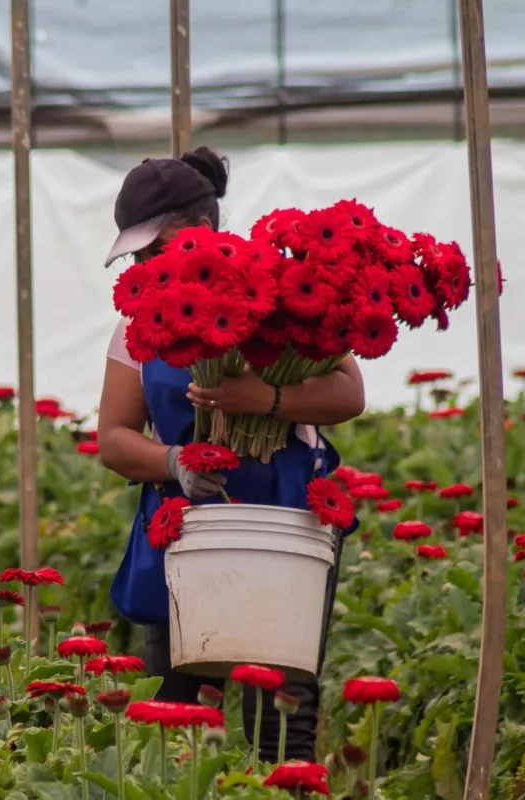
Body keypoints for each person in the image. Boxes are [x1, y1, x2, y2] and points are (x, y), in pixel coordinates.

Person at [96, 147, 366, 763]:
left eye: (154, 248)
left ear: (200, 230)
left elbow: (349, 393)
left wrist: (264, 397)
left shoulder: (276, 296)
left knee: (283, 710)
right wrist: (174, 464)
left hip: (287, 517)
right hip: (190, 523)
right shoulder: (134, 320)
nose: (144, 264)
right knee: (176, 708)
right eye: (137, 254)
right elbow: (114, 436)